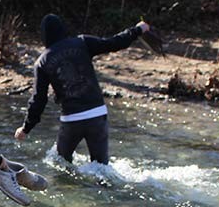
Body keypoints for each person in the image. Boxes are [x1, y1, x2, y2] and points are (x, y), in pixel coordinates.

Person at [14, 14, 151, 165]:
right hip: (97, 114)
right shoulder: (82, 42)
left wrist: (26, 128)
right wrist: (138, 29)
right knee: (101, 169)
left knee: (59, 163)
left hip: (72, 120)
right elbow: (114, 43)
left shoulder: (42, 62)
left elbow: (38, 99)